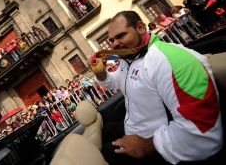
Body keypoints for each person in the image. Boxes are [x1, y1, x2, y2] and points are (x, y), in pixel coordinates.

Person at [87, 11, 223, 165]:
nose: (114, 44)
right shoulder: (128, 59)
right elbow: (114, 83)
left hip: (158, 144)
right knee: (107, 130)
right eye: (111, 40)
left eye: (121, 36)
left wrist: (147, 146)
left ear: (140, 28)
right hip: (134, 127)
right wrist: (100, 73)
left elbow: (203, 134)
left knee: (105, 154)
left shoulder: (171, 61)